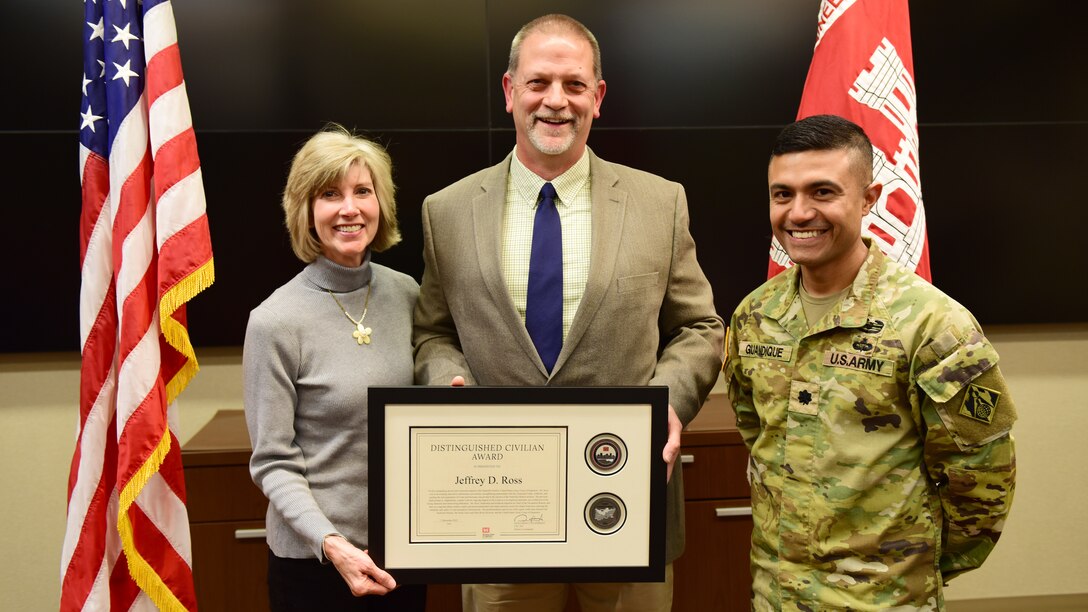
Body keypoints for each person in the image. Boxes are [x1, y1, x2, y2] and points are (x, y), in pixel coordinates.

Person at [412, 13, 724, 612]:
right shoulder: (446, 212)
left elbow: (699, 327)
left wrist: (666, 401)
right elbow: (434, 332)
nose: (556, 101)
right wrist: (447, 382)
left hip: (627, 502)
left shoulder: (659, 203)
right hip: (496, 511)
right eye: (538, 83)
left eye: (574, 85)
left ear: (598, 97)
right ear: (509, 91)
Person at [724, 114, 1017, 610]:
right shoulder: (754, 315)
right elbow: (760, 436)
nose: (798, 213)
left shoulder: (933, 325)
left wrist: (916, 566)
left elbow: (981, 479)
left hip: (884, 597)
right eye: (782, 194)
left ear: (868, 199)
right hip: (776, 593)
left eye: (822, 192)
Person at [243, 124, 425, 611]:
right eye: (329, 194)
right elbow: (272, 460)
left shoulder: (407, 294)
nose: (349, 208)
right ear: (306, 211)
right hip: (314, 563)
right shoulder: (274, 321)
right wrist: (332, 544)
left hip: (400, 555)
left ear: (380, 203)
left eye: (362, 191)